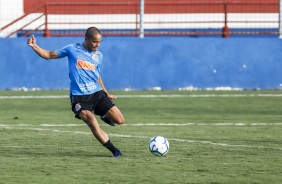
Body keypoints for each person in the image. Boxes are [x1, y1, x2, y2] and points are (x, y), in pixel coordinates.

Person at [27, 27, 125, 157]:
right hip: (79, 98)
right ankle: (115, 151)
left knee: (120, 120)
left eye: (100, 42)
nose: (98, 45)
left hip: (97, 93)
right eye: (95, 42)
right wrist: (34, 46)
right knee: (92, 123)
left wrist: (106, 93)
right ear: (86, 39)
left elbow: (97, 75)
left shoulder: (99, 56)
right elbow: (49, 55)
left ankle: (103, 114)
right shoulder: (72, 49)